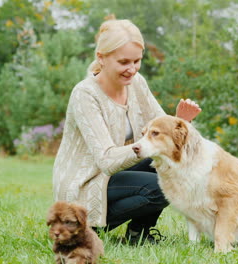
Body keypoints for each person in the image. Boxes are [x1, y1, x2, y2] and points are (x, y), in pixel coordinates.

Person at [52, 19, 201, 245]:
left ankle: (139, 235)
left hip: (116, 175)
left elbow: (162, 133)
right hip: (86, 184)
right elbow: (106, 160)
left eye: (137, 61)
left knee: (170, 168)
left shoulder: (136, 83)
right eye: (123, 62)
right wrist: (146, 145)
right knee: (163, 186)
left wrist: (181, 121)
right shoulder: (85, 95)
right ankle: (89, 227)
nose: (131, 69)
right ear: (101, 58)